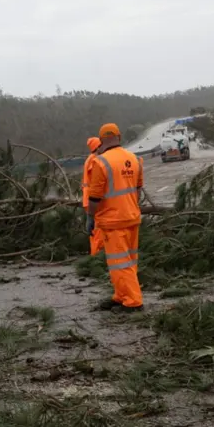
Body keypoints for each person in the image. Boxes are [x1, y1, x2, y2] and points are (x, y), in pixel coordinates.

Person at [87, 123, 144, 312]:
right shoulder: (135, 159)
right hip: (131, 217)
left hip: (113, 221)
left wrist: (90, 217)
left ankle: (133, 302)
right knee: (129, 261)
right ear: (119, 137)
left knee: (119, 263)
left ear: (101, 140)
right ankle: (121, 296)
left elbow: (94, 196)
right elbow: (137, 189)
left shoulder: (100, 162)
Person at [81, 137, 102, 255]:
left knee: (94, 232)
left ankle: (96, 255)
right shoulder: (94, 160)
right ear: (97, 147)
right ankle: (97, 257)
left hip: (89, 200)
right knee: (97, 233)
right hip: (93, 201)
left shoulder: (90, 159)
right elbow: (97, 184)